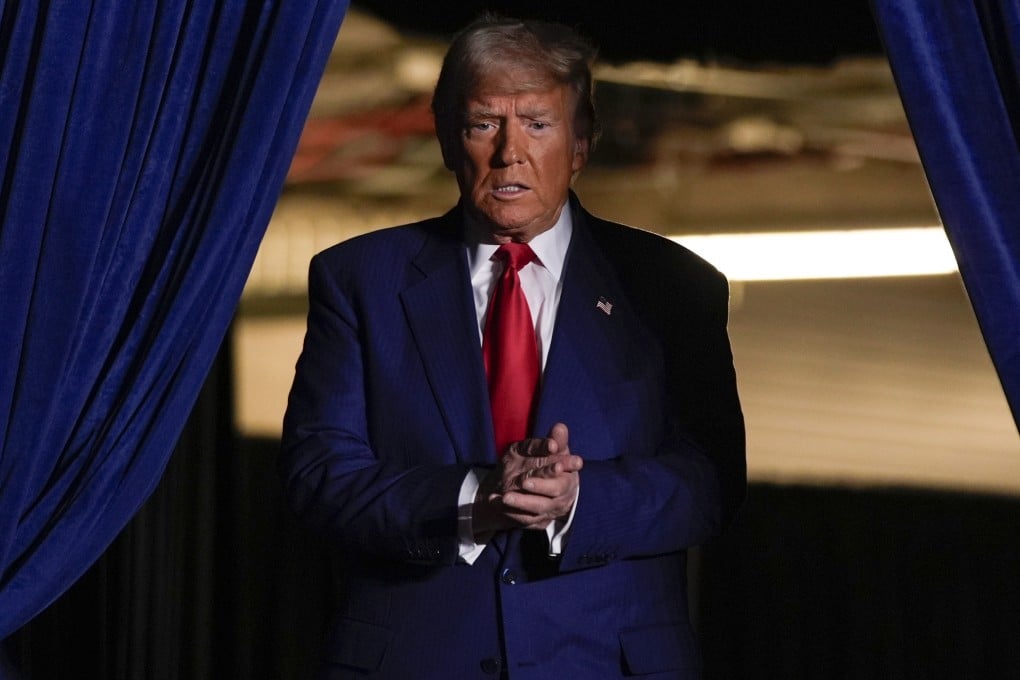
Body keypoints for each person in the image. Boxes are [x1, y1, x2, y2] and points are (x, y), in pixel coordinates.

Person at [280, 13, 745, 679]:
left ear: (580, 143)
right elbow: (320, 476)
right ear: (447, 140)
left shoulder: (672, 286)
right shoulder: (358, 280)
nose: (509, 153)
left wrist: (575, 500)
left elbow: (708, 483)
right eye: (483, 124)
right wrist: (477, 496)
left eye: (537, 123)